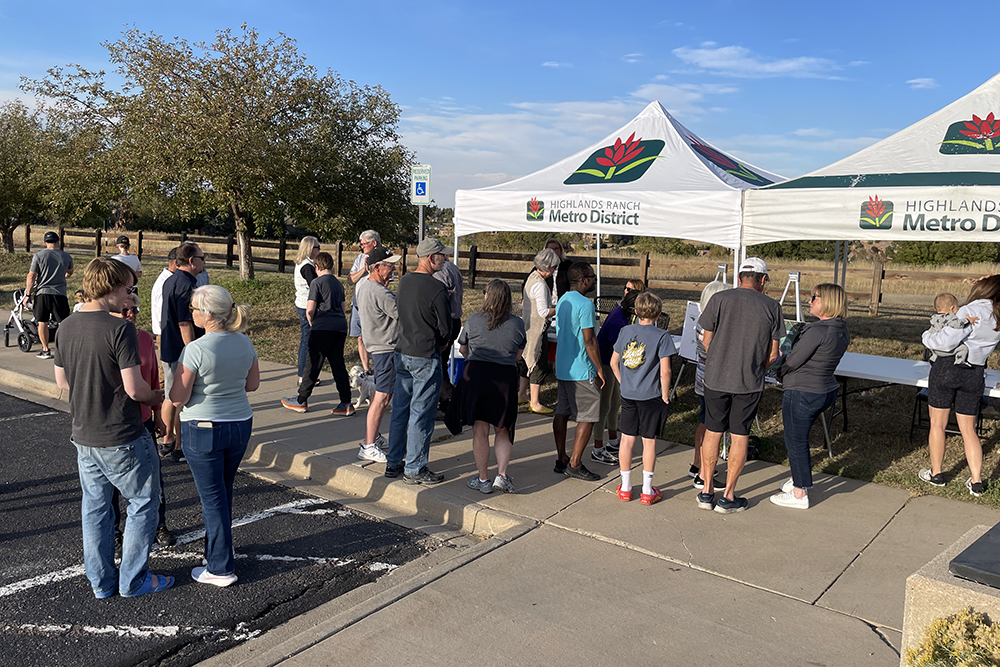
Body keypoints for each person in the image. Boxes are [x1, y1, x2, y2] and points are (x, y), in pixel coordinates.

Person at [53, 257, 172, 598]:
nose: (129, 296)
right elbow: (135, 389)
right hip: (122, 433)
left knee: (95, 509)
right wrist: (156, 396)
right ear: (111, 287)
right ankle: (133, 579)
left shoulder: (66, 326)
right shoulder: (120, 330)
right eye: (126, 288)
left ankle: (101, 581)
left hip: (84, 433)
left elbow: (62, 380)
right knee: (143, 503)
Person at [170, 285, 259, 587]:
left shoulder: (195, 349)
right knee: (223, 490)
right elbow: (253, 385)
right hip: (239, 423)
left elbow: (178, 396)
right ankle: (220, 549)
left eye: (194, 308)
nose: (191, 313)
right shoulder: (244, 342)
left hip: (203, 426)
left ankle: (220, 567)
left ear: (208, 314)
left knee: (212, 498)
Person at [696, 257, 783, 514]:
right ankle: (729, 495)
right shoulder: (772, 306)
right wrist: (756, 367)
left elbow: (706, 341)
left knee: (712, 431)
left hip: (716, 378)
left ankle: (706, 490)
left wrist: (719, 361)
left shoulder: (719, 299)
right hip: (748, 381)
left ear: (738, 278)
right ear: (763, 279)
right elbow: (773, 355)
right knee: (739, 435)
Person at [770, 284, 850, 510]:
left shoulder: (817, 331)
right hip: (825, 389)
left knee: (796, 441)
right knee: (800, 438)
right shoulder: (841, 329)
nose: (810, 301)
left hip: (803, 390)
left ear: (828, 301)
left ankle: (799, 493)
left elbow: (793, 360)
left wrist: (779, 371)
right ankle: (798, 479)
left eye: (814, 298)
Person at [920, 275, 1000, 497]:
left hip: (948, 368)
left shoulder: (968, 310)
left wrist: (926, 337)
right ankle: (976, 481)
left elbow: (946, 341)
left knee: (937, 424)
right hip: (975, 371)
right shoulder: (997, 315)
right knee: (968, 429)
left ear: (981, 288)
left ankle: (936, 474)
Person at [110, 292, 175, 546]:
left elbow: (151, 378)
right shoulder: (109, 338)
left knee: (153, 477)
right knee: (113, 483)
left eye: (134, 310)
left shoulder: (145, 338)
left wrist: (158, 414)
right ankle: (114, 532)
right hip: (118, 421)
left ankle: (159, 525)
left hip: (144, 419)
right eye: (124, 310)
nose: (130, 315)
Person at [386, 238, 452, 485]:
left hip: (402, 351)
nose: (444, 259)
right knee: (421, 413)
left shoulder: (404, 281)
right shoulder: (436, 288)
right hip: (425, 354)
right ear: (430, 257)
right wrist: (443, 342)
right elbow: (445, 327)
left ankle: (394, 462)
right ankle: (415, 467)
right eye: (441, 255)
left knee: (400, 411)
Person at [457, 279, 526, 494]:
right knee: (503, 428)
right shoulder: (517, 324)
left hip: (477, 376)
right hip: (504, 378)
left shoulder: (474, 319)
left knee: (480, 429)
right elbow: (517, 355)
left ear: (487, 296)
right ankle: (502, 475)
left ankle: (483, 479)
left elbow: (462, 348)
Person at [610, 292, 676, 505]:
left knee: (627, 440)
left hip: (629, 394)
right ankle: (648, 490)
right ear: (658, 314)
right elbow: (665, 372)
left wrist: (623, 383)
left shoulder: (625, 331)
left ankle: (626, 486)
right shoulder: (662, 336)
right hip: (652, 395)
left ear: (636, 311)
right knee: (649, 442)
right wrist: (665, 394)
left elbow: (613, 363)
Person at [281, 252, 354, 415]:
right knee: (338, 365)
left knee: (312, 365)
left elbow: (310, 309)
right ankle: (346, 402)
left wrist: (312, 321)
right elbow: (343, 308)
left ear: (317, 267)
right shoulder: (338, 284)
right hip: (339, 327)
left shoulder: (316, 283)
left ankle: (301, 400)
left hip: (322, 326)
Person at [552, 262, 605, 481]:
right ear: (583, 279)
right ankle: (575, 463)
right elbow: (589, 339)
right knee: (588, 416)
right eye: (593, 277)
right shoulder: (586, 304)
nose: (594, 280)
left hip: (563, 366)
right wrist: (600, 368)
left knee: (562, 413)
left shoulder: (563, 299)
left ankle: (561, 458)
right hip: (583, 370)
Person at [356, 245, 403, 463]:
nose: (393, 267)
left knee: (383, 396)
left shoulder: (364, 286)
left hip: (376, 346)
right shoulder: (381, 293)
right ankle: (368, 445)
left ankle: (373, 437)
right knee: (382, 397)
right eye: (389, 264)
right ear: (377, 267)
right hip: (385, 348)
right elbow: (403, 315)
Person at [159, 243, 206, 461]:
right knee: (182, 399)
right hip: (182, 350)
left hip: (169, 346)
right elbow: (185, 322)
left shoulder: (170, 280)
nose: (204, 262)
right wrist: (193, 352)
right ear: (191, 261)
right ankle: (179, 445)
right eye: (202, 257)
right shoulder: (187, 286)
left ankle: (168, 438)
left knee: (171, 396)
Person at [593, 279, 646, 464]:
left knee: (615, 401)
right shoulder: (618, 321)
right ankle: (597, 447)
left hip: (613, 362)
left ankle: (613, 439)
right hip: (606, 362)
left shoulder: (624, 316)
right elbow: (619, 350)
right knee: (604, 405)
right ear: (633, 309)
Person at [689, 280, 732, 491]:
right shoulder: (712, 324)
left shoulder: (701, 319)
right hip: (713, 381)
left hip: (702, 378)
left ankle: (698, 463)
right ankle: (703, 475)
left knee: (705, 422)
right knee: (713, 428)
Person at [518, 248, 560, 414]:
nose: (555, 270)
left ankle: (521, 393)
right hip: (536, 329)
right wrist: (558, 308)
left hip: (527, 326)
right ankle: (535, 402)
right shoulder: (540, 285)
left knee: (525, 361)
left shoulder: (531, 277)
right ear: (548, 267)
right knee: (538, 364)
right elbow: (543, 312)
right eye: (554, 267)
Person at [22, 230, 74, 360]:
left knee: (42, 322)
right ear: (58, 242)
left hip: (42, 293)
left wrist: (28, 294)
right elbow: (70, 271)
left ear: (45, 242)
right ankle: (63, 350)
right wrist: (63, 275)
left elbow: (31, 275)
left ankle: (45, 349)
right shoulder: (66, 256)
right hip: (59, 293)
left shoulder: (39, 256)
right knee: (62, 322)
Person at [434, 254, 464, 412]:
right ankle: (449, 398)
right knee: (441, 363)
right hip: (454, 319)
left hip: (446, 321)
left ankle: (449, 399)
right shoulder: (452, 267)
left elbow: (439, 298)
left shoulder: (441, 272)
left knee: (437, 363)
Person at [349, 230, 381, 374]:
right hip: (357, 302)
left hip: (373, 303)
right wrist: (364, 269)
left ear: (374, 243)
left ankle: (379, 366)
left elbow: (385, 282)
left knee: (372, 336)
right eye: (361, 244)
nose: (362, 246)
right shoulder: (359, 258)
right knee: (360, 337)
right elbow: (350, 280)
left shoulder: (383, 258)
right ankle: (366, 369)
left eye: (364, 244)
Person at [293, 236, 321, 385]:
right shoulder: (307, 267)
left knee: (308, 341)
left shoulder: (303, 263)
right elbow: (314, 287)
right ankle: (303, 376)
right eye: (317, 247)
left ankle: (306, 375)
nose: (319, 250)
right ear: (310, 249)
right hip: (307, 307)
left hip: (302, 303)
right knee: (307, 341)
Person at [926, 293, 972, 365]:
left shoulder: (933, 318)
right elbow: (957, 325)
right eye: (957, 308)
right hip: (948, 351)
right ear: (952, 308)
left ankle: (933, 358)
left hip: (935, 349)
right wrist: (968, 320)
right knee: (963, 348)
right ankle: (959, 361)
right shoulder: (949, 317)